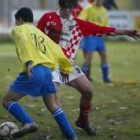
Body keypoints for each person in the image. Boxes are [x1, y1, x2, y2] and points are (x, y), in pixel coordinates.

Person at [37, 0, 140, 136]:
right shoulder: (48, 18)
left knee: (88, 91)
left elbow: (101, 29)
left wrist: (125, 32)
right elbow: (36, 38)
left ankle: (83, 121)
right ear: (59, 5)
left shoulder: (78, 24)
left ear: (73, 7)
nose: (66, 10)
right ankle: (65, 128)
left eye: (70, 7)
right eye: (64, 7)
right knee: (53, 96)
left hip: (68, 65)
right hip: (50, 64)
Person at [2, 7, 78, 140]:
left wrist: (29, 62)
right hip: (48, 73)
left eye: (16, 21)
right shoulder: (41, 34)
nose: (15, 24)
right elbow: (58, 51)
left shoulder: (18, 29)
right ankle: (71, 136)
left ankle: (28, 122)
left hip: (34, 70)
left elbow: (23, 42)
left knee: (7, 101)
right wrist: (66, 69)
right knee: (53, 106)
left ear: (20, 19)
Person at [78, 0, 112, 82]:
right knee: (88, 58)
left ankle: (106, 78)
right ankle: (82, 79)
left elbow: (106, 24)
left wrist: (107, 30)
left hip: (99, 37)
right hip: (90, 37)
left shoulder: (104, 10)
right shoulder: (88, 8)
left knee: (104, 55)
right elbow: (80, 20)